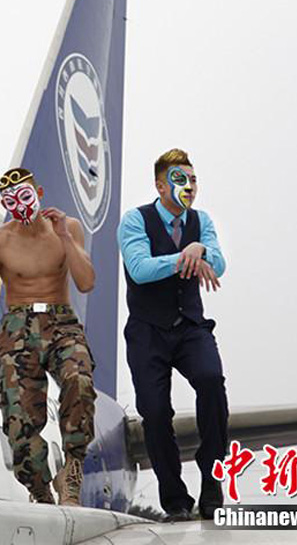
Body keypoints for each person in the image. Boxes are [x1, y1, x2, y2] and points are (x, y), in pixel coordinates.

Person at [0, 168, 97, 506]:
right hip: (17, 326)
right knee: (18, 419)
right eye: (11, 203)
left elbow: (86, 282)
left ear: (38, 193)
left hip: (61, 320)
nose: (20, 207)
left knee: (78, 380)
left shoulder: (68, 229)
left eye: (25, 197)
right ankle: (38, 486)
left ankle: (72, 469)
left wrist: (65, 239)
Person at [117, 148, 228, 521]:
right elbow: (140, 268)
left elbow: (219, 263)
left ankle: (212, 481)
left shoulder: (202, 221)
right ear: (161, 185)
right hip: (148, 331)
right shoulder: (135, 220)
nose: (190, 187)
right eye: (181, 180)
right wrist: (188, 255)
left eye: (194, 179)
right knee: (154, 410)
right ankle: (175, 499)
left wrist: (200, 248)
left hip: (190, 327)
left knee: (212, 381)